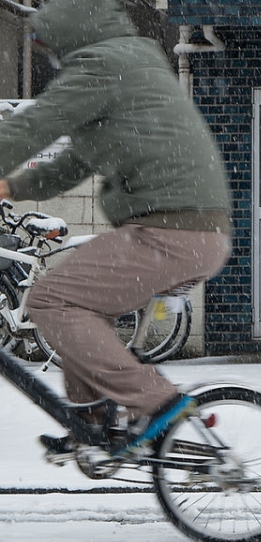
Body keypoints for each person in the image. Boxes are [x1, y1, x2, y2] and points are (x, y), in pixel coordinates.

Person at [0, 0, 232, 457]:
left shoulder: (103, 64)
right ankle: (94, 419)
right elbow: (70, 166)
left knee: (50, 299)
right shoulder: (127, 64)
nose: (50, 59)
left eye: (48, 47)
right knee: (84, 310)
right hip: (187, 229)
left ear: (68, 35)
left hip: (172, 230)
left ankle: (155, 400)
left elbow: (33, 125)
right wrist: (11, 186)